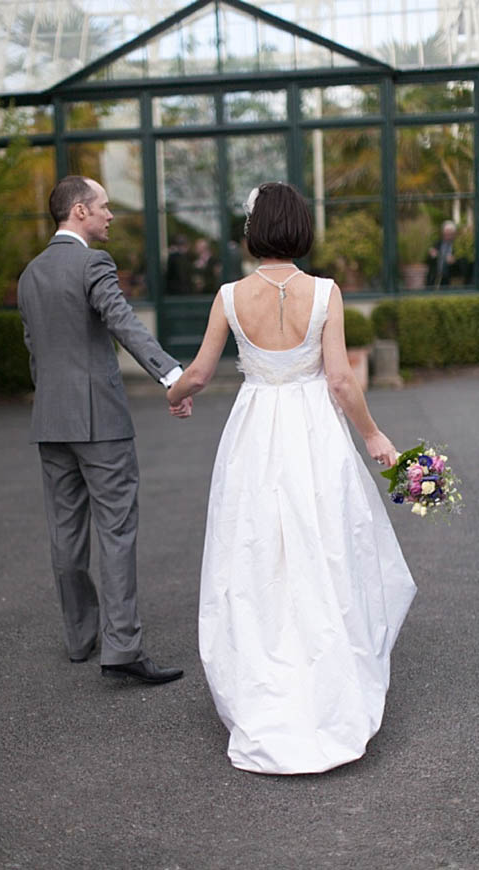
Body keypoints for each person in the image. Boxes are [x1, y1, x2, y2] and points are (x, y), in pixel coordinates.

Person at [167, 182, 417, 774]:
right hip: (313, 433)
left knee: (254, 554)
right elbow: (339, 381)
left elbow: (200, 373)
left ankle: (266, 680)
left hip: (255, 432)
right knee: (325, 548)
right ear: (301, 228)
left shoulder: (229, 296)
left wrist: (175, 395)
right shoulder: (325, 292)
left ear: (253, 231)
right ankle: (330, 689)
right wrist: (375, 435)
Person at [18, 175, 191, 685]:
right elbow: (122, 321)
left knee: (65, 531)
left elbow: (35, 351)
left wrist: (53, 399)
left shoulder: (29, 274)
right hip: (101, 422)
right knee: (116, 530)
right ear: (78, 212)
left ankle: (79, 638)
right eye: (104, 207)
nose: (110, 215)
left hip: (50, 419)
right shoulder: (93, 262)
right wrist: (173, 375)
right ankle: (122, 647)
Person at [426, 220, 457, 287]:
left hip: (451, 278)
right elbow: (428, 260)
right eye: (445, 233)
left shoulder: (457, 246)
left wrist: (454, 261)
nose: (447, 236)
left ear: (454, 234)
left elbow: (462, 263)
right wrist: (431, 255)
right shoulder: (436, 244)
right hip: (436, 277)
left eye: (450, 234)